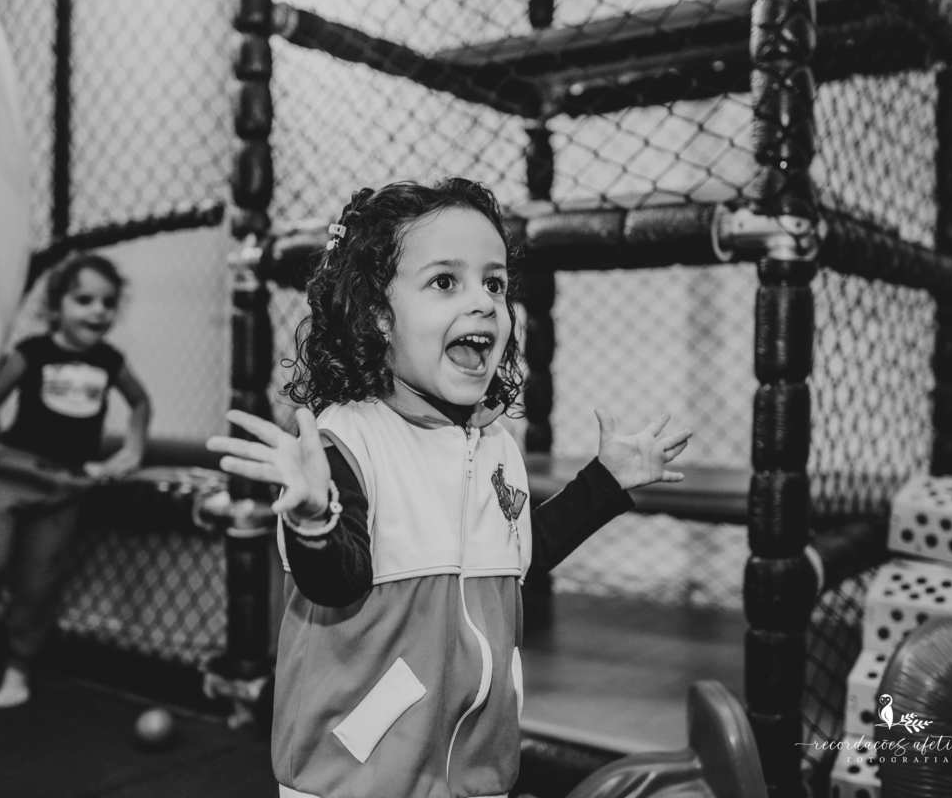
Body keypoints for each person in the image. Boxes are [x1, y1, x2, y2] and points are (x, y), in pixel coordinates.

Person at [206, 178, 691, 798]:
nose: (485, 302)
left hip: (473, 771)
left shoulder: (494, 447)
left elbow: (519, 552)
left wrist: (604, 485)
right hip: (357, 774)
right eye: (445, 282)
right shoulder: (345, 445)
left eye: (495, 283)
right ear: (379, 316)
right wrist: (311, 517)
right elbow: (338, 578)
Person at [0, 252, 152, 708]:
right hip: (10, 473)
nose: (98, 311)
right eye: (84, 300)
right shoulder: (32, 353)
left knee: (38, 582)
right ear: (56, 306)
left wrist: (133, 449)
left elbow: (140, 403)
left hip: (65, 486)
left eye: (107, 303)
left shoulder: (109, 360)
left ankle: (17, 669)